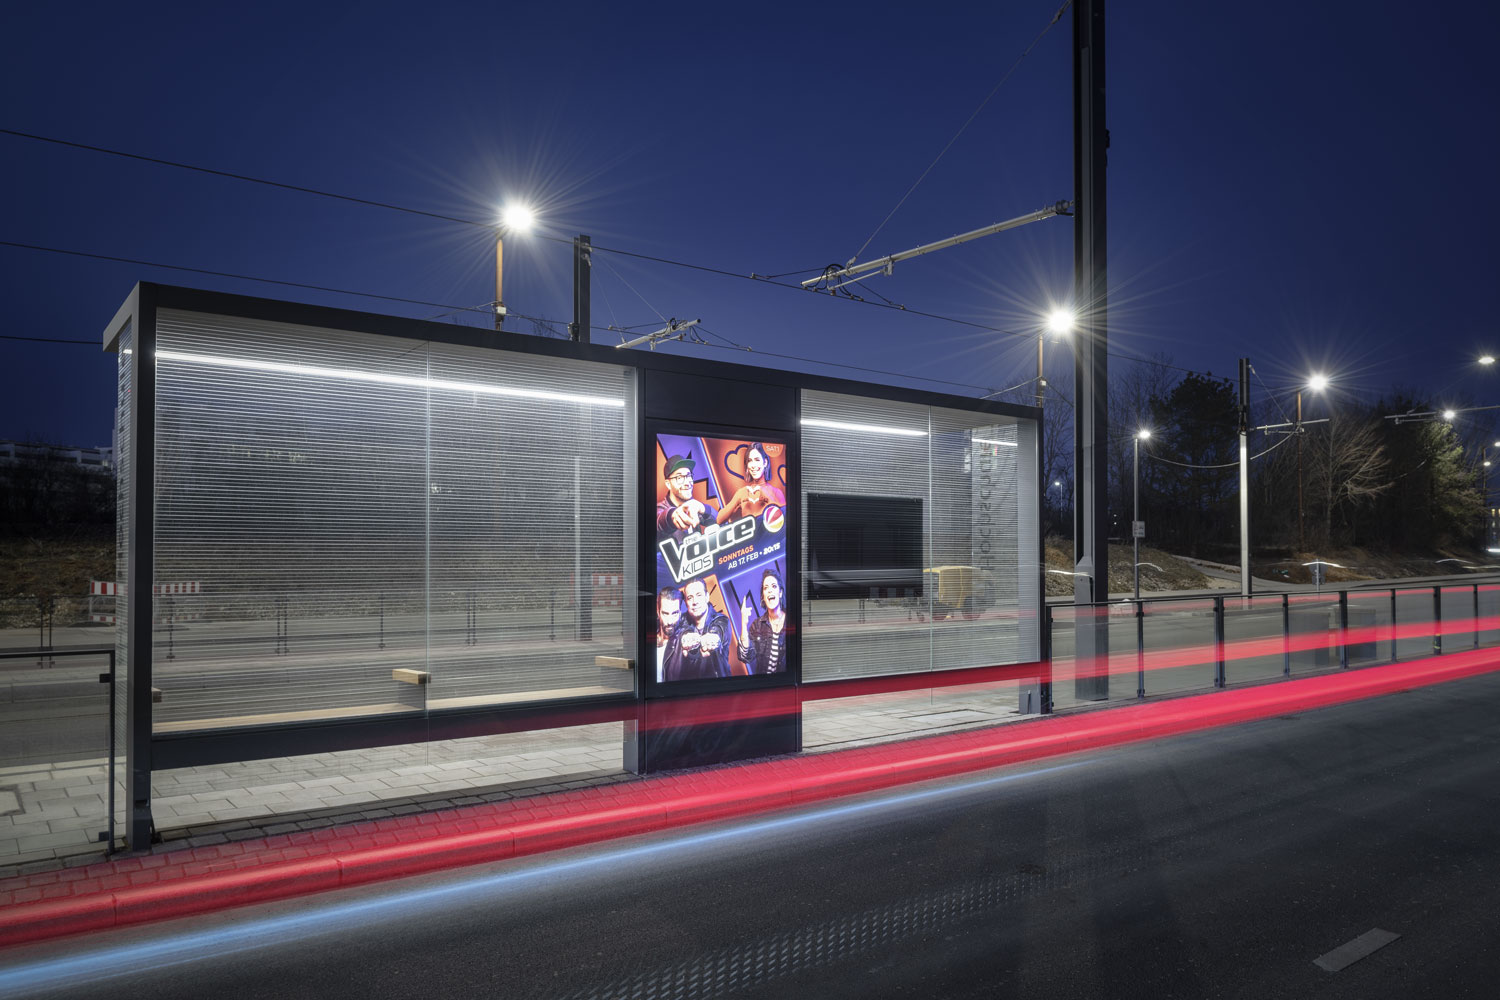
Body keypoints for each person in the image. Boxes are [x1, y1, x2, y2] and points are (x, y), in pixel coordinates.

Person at [716, 443, 786, 524]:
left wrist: (765, 495)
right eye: (750, 461)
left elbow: (784, 524)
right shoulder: (742, 492)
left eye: (757, 460)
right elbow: (719, 520)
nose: (753, 465)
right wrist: (739, 501)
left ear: (765, 462)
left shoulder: (776, 492)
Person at [676, 577, 730, 680]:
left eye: (699, 595)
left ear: (707, 597)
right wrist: (685, 638)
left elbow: (718, 630)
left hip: (719, 687)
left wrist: (713, 638)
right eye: (690, 597)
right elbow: (683, 630)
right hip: (688, 690)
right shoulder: (681, 621)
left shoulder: (721, 619)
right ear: (686, 602)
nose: (694, 601)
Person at [737, 569, 788, 675]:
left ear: (780, 593)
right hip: (764, 685)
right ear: (763, 597)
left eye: (774, 586)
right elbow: (745, 657)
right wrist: (744, 623)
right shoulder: (757, 625)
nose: (770, 590)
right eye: (766, 588)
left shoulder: (792, 621)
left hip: (785, 685)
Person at [656, 452, 715, 541]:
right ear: (668, 484)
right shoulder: (660, 509)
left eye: (688, 476)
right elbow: (659, 521)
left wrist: (703, 508)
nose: (687, 482)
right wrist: (672, 517)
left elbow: (720, 520)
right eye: (679, 478)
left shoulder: (693, 505)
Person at [655, 587, 685, 683]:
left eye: (675, 613)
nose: (670, 621)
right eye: (665, 613)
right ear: (658, 611)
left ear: (680, 612)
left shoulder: (683, 639)